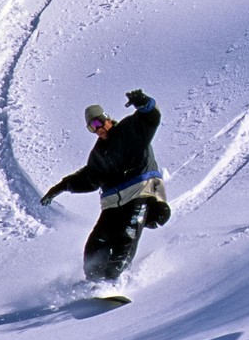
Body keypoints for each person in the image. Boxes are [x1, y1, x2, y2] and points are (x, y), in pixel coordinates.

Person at [41, 89, 171, 285]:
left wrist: (144, 103)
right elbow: (90, 177)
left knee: (126, 236)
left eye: (99, 122)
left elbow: (151, 118)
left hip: (139, 192)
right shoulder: (98, 153)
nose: (98, 128)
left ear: (107, 118)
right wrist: (61, 186)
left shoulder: (130, 130)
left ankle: (113, 282)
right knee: (95, 243)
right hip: (112, 203)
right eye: (92, 127)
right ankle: (93, 282)